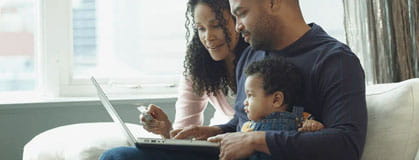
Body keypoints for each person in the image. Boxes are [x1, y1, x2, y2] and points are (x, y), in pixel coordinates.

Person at [102, 0, 367, 159]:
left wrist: (255, 141)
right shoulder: (251, 55)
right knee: (118, 157)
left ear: (273, 2)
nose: (237, 26)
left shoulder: (335, 60)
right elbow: (244, 123)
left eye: (240, 13)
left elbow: (347, 143)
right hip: (226, 155)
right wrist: (215, 131)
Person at [139, 0, 248, 139]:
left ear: (239, 21)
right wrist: (166, 130)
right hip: (218, 141)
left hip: (237, 141)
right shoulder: (199, 65)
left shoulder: (259, 60)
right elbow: (184, 136)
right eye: (201, 28)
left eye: (216, 25)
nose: (208, 37)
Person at [240, 57, 324, 160]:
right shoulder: (248, 128)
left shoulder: (302, 118)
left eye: (250, 95)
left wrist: (314, 126)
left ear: (276, 100)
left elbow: (320, 137)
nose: (245, 102)